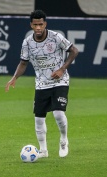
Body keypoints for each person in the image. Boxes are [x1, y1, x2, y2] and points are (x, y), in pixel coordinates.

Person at [5, 10, 78, 158]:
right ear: (31, 25)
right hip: (41, 84)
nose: (38, 27)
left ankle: (63, 140)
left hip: (60, 81)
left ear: (45, 24)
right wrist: (14, 78)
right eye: (35, 24)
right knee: (39, 118)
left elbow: (74, 51)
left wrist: (62, 69)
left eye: (40, 24)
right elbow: (23, 63)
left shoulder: (55, 37)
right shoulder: (27, 42)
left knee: (58, 113)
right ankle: (43, 151)